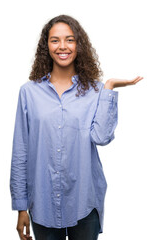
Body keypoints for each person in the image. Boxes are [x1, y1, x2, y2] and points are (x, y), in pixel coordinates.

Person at [10, 14, 143, 240]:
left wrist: (108, 88)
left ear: (78, 45)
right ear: (46, 46)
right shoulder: (29, 92)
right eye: (55, 40)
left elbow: (101, 137)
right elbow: (20, 152)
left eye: (69, 39)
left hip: (84, 201)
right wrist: (21, 206)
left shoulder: (95, 91)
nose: (63, 46)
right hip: (42, 204)